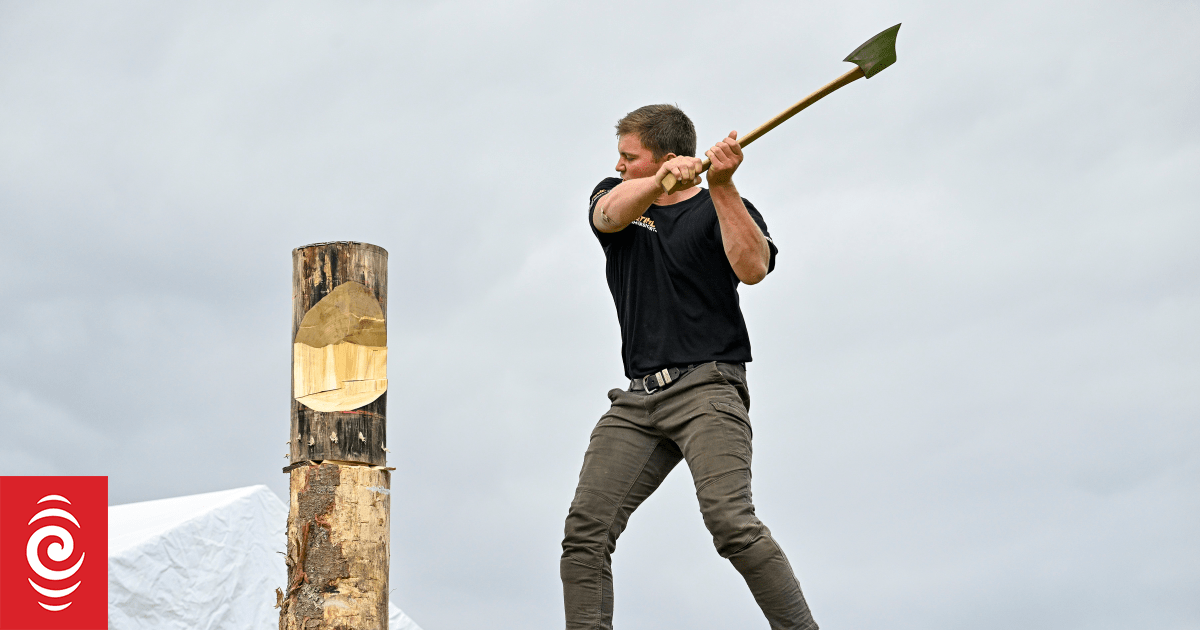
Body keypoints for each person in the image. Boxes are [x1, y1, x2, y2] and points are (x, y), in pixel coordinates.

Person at [560, 103, 819, 630]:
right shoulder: (622, 198)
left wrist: (723, 186)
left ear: (667, 153)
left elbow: (754, 269)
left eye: (629, 157)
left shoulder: (725, 206)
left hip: (708, 387)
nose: (618, 164)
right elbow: (607, 215)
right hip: (637, 402)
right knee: (584, 533)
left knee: (731, 524)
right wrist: (655, 180)